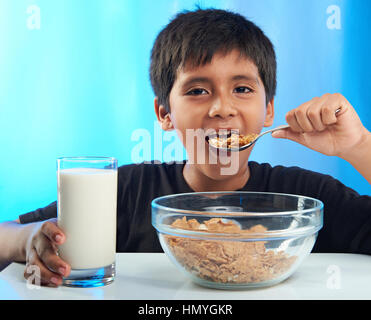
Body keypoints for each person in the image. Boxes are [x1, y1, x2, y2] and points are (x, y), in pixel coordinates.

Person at [0, 8, 370, 287]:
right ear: (164, 112)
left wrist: (359, 145)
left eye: (242, 89)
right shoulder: (126, 191)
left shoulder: (305, 198)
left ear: (268, 109)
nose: (222, 107)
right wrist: (27, 241)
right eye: (197, 90)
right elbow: (7, 234)